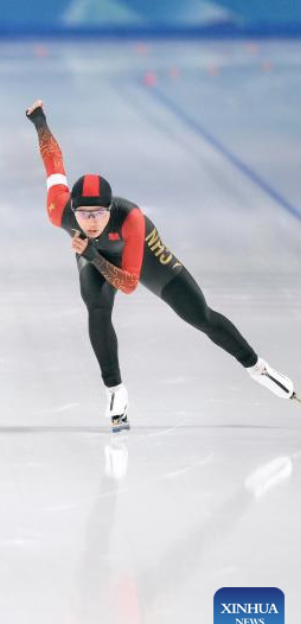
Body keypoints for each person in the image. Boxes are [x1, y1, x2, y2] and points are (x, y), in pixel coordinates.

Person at [24, 100, 296, 431]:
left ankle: (258, 368)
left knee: (200, 316)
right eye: (83, 214)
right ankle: (116, 391)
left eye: (97, 214)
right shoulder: (58, 210)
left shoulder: (131, 219)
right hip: (91, 254)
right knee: (97, 308)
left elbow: (128, 284)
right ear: (72, 211)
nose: (90, 221)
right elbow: (53, 160)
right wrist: (39, 121)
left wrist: (93, 253)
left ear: (111, 209)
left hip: (141, 253)